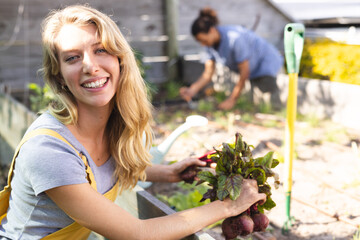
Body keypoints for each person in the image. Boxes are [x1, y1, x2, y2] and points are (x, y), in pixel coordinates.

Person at [0, 5, 266, 240]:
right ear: (59, 76)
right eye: (72, 57)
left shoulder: (105, 128)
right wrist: (229, 207)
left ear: (120, 59)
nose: (90, 66)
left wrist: (168, 173)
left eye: (100, 50)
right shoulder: (49, 151)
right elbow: (138, 234)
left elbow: (99, 167)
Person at [180, 7, 284, 110]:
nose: (203, 44)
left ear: (211, 31)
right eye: (200, 41)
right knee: (259, 104)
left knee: (274, 102)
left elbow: (244, 72)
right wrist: (192, 90)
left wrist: (232, 99)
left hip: (269, 65)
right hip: (255, 71)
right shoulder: (209, 45)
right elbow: (208, 73)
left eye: (203, 40)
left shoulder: (234, 39)